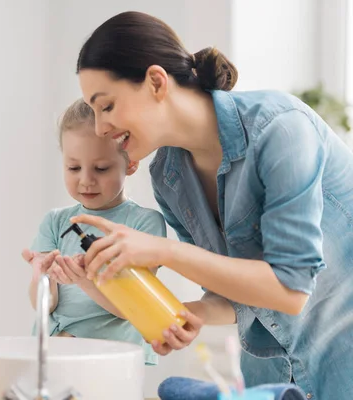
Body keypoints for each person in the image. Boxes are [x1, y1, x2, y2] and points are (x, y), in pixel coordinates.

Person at [70, 10, 353, 399]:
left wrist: (165, 250)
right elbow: (234, 295)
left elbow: (291, 289)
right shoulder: (169, 177)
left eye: (106, 106)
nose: (100, 127)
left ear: (155, 82)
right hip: (268, 379)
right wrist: (194, 314)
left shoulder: (280, 129)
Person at [22, 98, 166, 366]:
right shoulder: (54, 222)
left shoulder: (144, 225)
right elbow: (46, 305)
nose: (86, 180)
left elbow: (131, 310)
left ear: (131, 163)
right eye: (73, 168)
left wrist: (85, 280)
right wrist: (41, 276)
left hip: (112, 362)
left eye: (101, 168)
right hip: (54, 354)